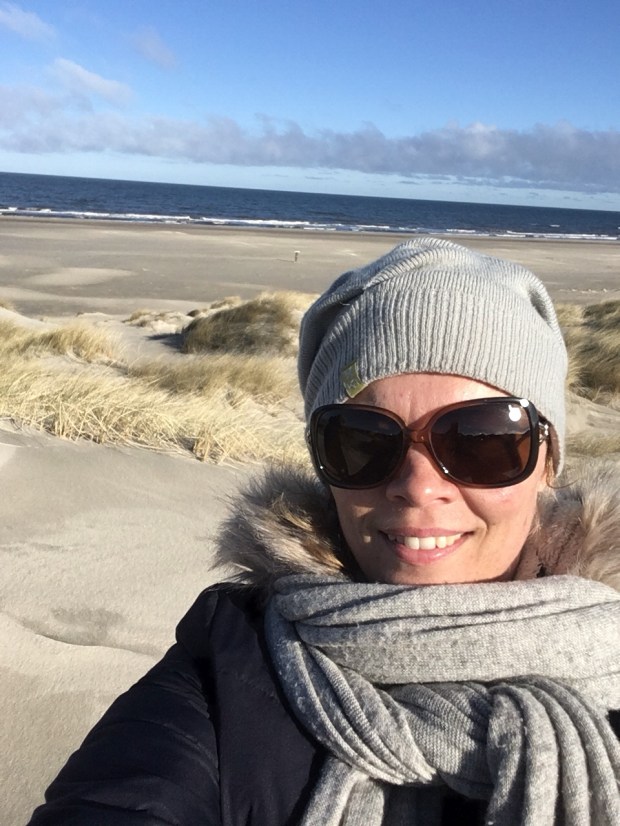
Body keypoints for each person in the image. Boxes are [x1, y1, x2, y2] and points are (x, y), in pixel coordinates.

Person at [28, 238, 619, 825]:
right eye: (364, 440)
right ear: (321, 462)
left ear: (547, 460)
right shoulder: (232, 661)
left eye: (481, 439)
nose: (417, 487)